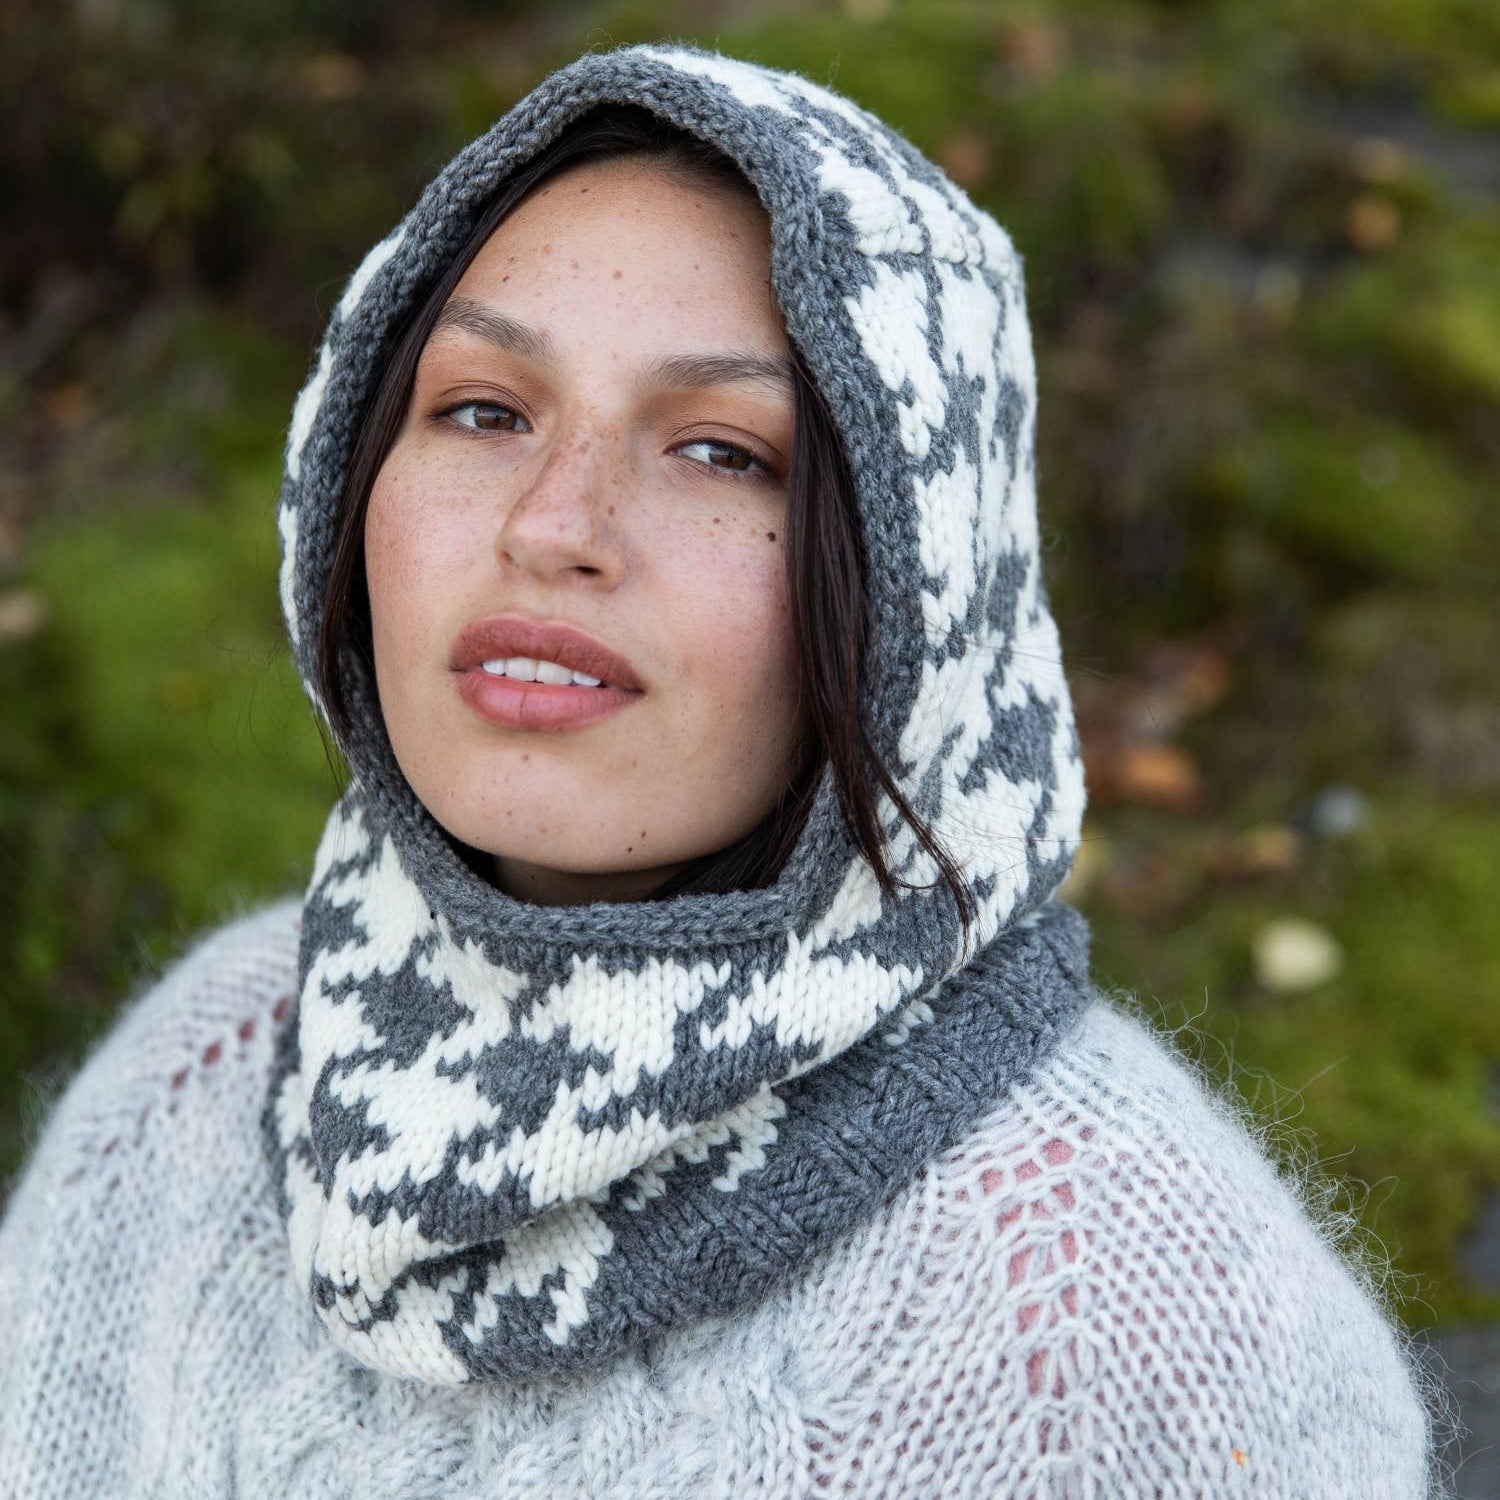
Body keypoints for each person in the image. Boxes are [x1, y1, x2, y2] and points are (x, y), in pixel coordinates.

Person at [0, 44, 1439, 1497]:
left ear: (918, 589)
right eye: (485, 411)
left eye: (721, 451)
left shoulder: (1120, 1307)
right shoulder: (195, 1081)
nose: (556, 524)